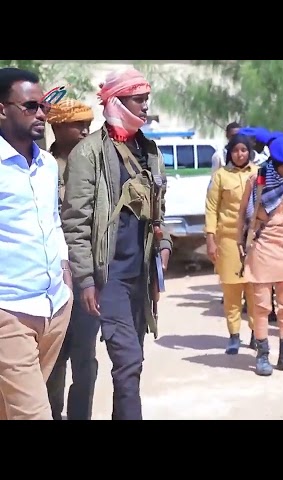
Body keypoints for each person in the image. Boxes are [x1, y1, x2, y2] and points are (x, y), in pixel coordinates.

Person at [62, 68, 173, 420]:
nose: (145, 106)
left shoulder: (150, 151)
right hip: (108, 279)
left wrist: (165, 242)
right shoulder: (88, 153)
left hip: (140, 277)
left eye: (146, 99)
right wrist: (86, 280)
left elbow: (159, 211)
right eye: (138, 99)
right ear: (117, 100)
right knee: (127, 364)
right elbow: (75, 224)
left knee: (131, 367)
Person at [0, 67, 73, 420]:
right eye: (31, 106)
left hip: (54, 308)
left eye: (44, 105)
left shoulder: (46, 165)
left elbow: (53, 221)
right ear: (2, 109)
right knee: (33, 414)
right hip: (9, 312)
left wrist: (65, 271)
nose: (42, 113)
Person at [45, 98, 101, 420]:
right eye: (77, 124)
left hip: (83, 279)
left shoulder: (94, 166)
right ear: (57, 126)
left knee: (85, 359)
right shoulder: (41, 166)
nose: (85, 130)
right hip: (50, 281)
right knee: (53, 358)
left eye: (87, 124)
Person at [237, 136, 283, 376]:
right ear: (274, 162)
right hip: (262, 245)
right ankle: (263, 355)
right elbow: (242, 215)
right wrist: (240, 243)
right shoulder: (257, 180)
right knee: (261, 305)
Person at [206, 134, 258, 354]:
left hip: (254, 240)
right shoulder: (220, 176)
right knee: (232, 290)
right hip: (227, 239)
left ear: (249, 152)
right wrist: (210, 239)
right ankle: (234, 335)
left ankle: (258, 334)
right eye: (236, 150)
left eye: (244, 150)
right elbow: (211, 208)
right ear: (230, 153)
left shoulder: (258, 174)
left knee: (255, 289)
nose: (240, 154)